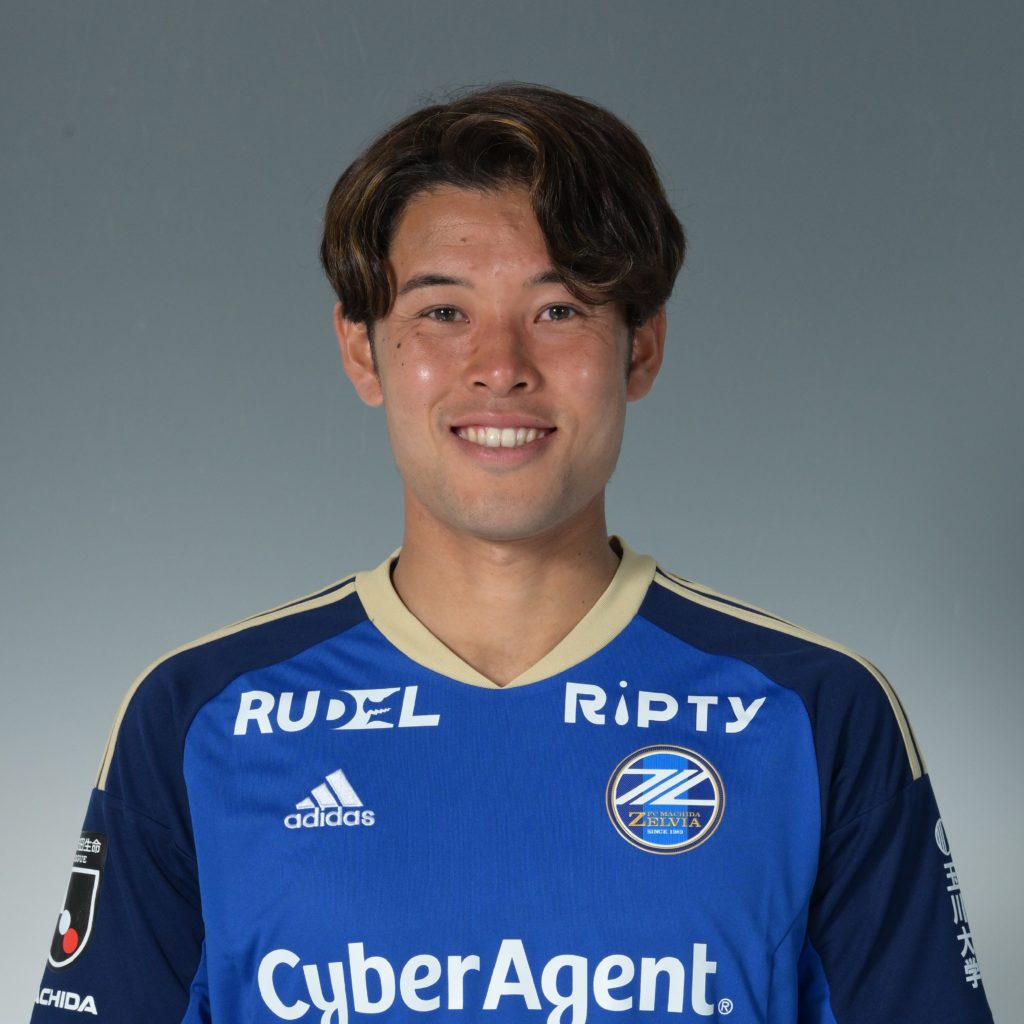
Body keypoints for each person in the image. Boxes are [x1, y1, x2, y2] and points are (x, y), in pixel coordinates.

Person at [31, 83, 993, 1024]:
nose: (501, 366)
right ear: (363, 351)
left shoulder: (813, 715)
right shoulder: (200, 717)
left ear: (641, 348)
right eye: (443, 313)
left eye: (560, 310)